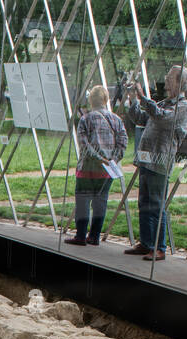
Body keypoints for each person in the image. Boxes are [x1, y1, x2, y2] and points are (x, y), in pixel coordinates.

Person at [122, 64, 187, 261]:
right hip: (147, 161)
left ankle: (160, 247)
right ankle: (146, 243)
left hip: (160, 162)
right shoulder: (164, 102)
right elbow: (141, 117)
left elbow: (162, 119)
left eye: (170, 77)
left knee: (156, 205)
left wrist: (144, 98)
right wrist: (133, 100)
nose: (166, 81)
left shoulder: (183, 106)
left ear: (180, 82)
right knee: (144, 203)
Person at [65, 85, 126, 246]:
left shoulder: (85, 119)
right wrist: (111, 160)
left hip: (87, 168)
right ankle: (94, 236)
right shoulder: (117, 120)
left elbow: (84, 145)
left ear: (90, 100)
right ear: (106, 100)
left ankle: (80, 235)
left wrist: (98, 158)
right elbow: (123, 142)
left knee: (83, 201)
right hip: (106, 171)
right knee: (100, 202)